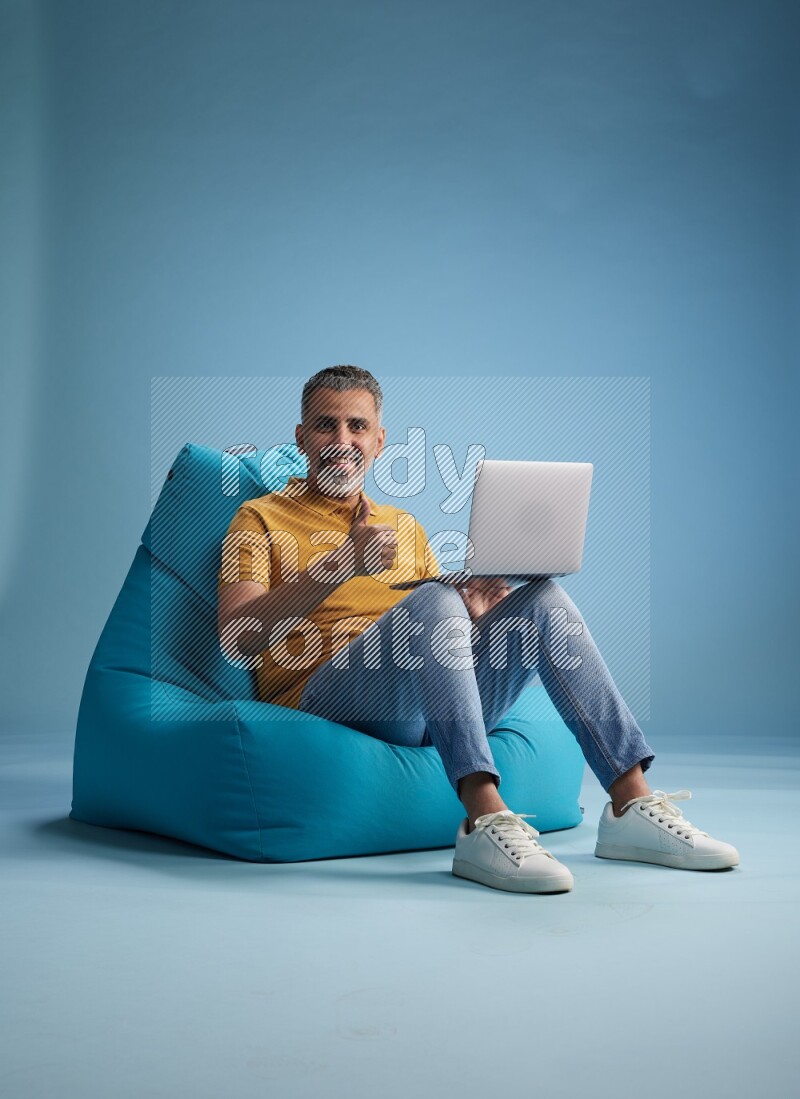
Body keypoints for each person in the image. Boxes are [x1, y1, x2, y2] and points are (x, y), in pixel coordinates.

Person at [217, 365, 739, 894]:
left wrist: (473, 612)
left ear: (379, 440)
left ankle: (631, 804)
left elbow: (430, 631)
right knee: (435, 597)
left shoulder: (402, 527)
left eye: (357, 427)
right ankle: (483, 819)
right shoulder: (259, 518)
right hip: (329, 697)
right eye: (326, 426)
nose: (342, 441)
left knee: (543, 601)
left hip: (420, 705)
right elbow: (238, 638)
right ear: (302, 436)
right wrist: (343, 562)